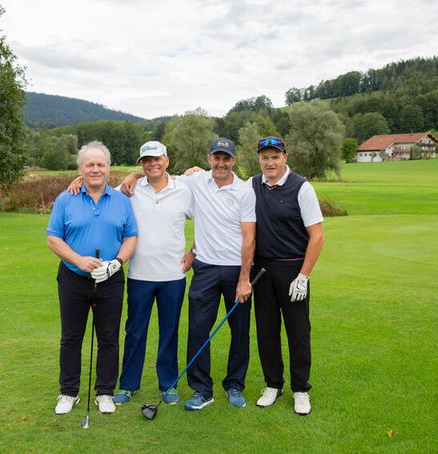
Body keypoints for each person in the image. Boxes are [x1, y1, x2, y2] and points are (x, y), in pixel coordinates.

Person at [124, 137, 256, 410]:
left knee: (240, 331)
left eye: (226, 158)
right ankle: (201, 389)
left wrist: (245, 278)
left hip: (235, 269)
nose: (221, 163)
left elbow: (249, 237)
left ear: (234, 160)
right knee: (197, 330)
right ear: (209, 159)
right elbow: (156, 173)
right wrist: (133, 173)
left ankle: (234, 385)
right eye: (216, 157)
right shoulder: (195, 182)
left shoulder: (245, 191)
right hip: (205, 268)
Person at [46, 141, 138, 416]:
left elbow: (131, 237)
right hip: (74, 278)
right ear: (81, 169)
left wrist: (117, 262)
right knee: (71, 337)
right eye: (90, 165)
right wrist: (78, 260)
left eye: (101, 165)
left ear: (109, 168)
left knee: (108, 338)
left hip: (110, 279)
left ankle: (105, 392)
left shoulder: (122, 200)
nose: (96, 169)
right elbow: (53, 238)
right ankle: (69, 392)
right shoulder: (66, 199)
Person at [110, 141, 194, 406]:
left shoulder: (184, 190)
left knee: (169, 332)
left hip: (173, 275)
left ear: (166, 160)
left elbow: (206, 220)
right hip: (139, 275)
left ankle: (168, 385)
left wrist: (195, 250)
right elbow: (98, 191)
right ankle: (127, 385)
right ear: (141, 164)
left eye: (156, 159)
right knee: (135, 332)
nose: (152, 164)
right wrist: (80, 178)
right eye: (146, 161)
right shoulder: (130, 189)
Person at [249, 136, 324, 415]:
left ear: (285, 157)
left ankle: (301, 389)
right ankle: (273, 384)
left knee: (298, 331)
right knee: (266, 330)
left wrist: (303, 276)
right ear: (259, 159)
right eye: (265, 157)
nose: (270, 162)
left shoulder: (301, 187)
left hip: (293, 269)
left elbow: (317, 237)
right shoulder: (253, 185)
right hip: (263, 269)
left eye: (275, 157)